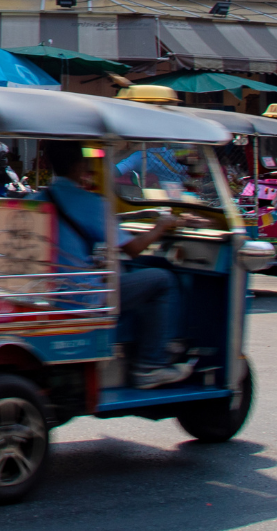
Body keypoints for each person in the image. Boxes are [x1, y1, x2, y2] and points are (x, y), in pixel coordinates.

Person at [40, 139, 187, 388]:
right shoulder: (91, 203)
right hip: (79, 297)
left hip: (44, 291)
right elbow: (132, 249)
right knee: (162, 280)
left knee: (125, 274)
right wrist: (160, 227)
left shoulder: (38, 197)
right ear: (79, 165)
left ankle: (144, 347)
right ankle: (150, 365)